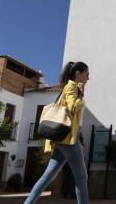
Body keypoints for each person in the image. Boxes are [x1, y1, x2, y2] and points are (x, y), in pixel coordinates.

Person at [24, 61, 90, 204]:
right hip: (68, 140)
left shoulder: (67, 87)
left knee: (47, 176)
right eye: (86, 74)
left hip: (61, 140)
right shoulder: (72, 86)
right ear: (78, 74)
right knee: (82, 179)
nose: (88, 78)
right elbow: (73, 107)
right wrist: (81, 95)